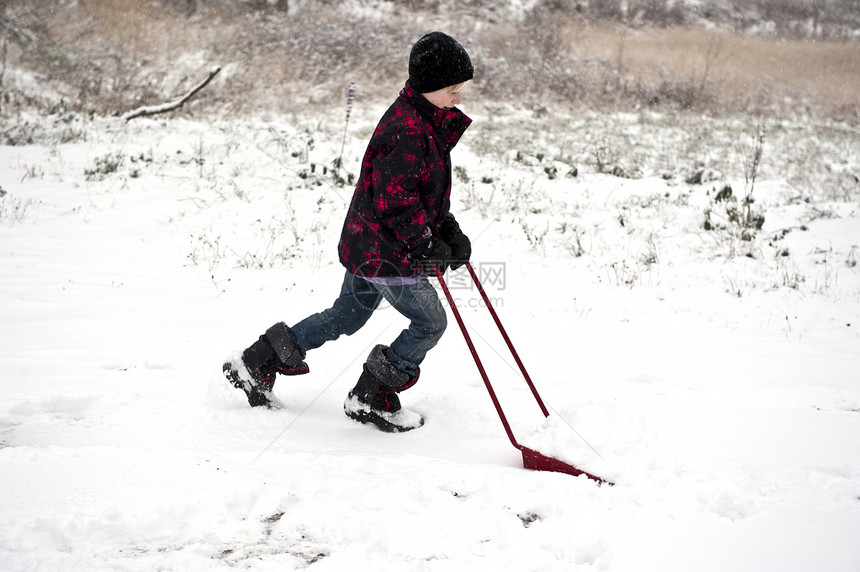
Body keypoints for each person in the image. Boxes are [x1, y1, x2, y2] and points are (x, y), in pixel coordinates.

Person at [223, 31, 474, 433]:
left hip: (371, 243)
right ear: (429, 87)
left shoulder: (422, 121)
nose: (458, 98)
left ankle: (260, 359)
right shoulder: (409, 130)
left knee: (348, 313)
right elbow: (394, 202)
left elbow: (417, 192)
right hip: (388, 251)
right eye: (452, 89)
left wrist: (448, 229)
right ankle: (372, 396)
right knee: (430, 324)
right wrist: (426, 243)